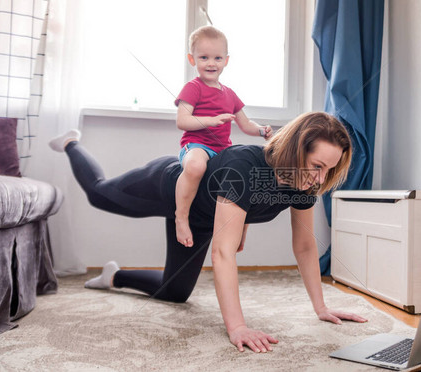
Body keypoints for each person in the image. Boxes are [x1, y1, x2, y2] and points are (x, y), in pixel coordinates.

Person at [48, 111, 367, 353]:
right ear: (296, 151)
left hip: (200, 219)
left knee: (175, 293)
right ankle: (71, 143)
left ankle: (114, 276)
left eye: (329, 169)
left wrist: (321, 308)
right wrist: (238, 327)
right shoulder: (243, 167)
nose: (320, 179)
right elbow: (223, 252)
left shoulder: (304, 184)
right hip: (168, 187)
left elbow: (306, 247)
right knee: (99, 194)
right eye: (316, 165)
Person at [175, 25, 272, 248]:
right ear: (192, 59)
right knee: (196, 167)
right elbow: (182, 121)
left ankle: (240, 230)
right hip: (196, 145)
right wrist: (210, 120)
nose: (211, 63)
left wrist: (260, 131)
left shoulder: (230, 94)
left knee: (246, 177)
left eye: (217, 58)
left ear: (226, 60)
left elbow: (245, 124)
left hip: (222, 150)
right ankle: (181, 217)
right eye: (204, 57)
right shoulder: (193, 88)